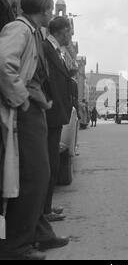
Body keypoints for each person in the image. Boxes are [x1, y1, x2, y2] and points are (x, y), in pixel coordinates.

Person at [0, 0, 68, 260]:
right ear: (40, 9)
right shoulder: (19, 29)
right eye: (50, 8)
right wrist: (22, 99)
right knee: (33, 177)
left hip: (34, 110)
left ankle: (39, 233)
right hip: (23, 113)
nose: (52, 13)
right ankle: (17, 246)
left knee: (38, 175)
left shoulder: (34, 31)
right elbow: (4, 62)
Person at [43, 17, 73, 222]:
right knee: (48, 164)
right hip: (50, 114)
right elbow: (47, 80)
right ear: (62, 31)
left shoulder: (55, 50)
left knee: (51, 163)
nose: (71, 35)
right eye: (69, 31)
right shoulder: (46, 48)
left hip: (55, 114)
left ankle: (46, 208)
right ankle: (44, 211)